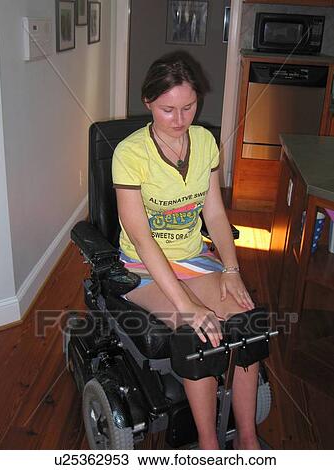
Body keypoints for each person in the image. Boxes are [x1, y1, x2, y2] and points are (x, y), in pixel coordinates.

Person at [112, 51, 260, 450]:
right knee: (199, 333)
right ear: (148, 103)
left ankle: (248, 439)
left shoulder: (206, 142)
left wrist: (231, 268)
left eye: (188, 107)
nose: (179, 120)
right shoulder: (129, 154)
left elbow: (214, 211)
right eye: (167, 110)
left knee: (246, 324)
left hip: (193, 258)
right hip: (143, 266)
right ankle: (208, 444)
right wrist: (189, 306)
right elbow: (141, 236)